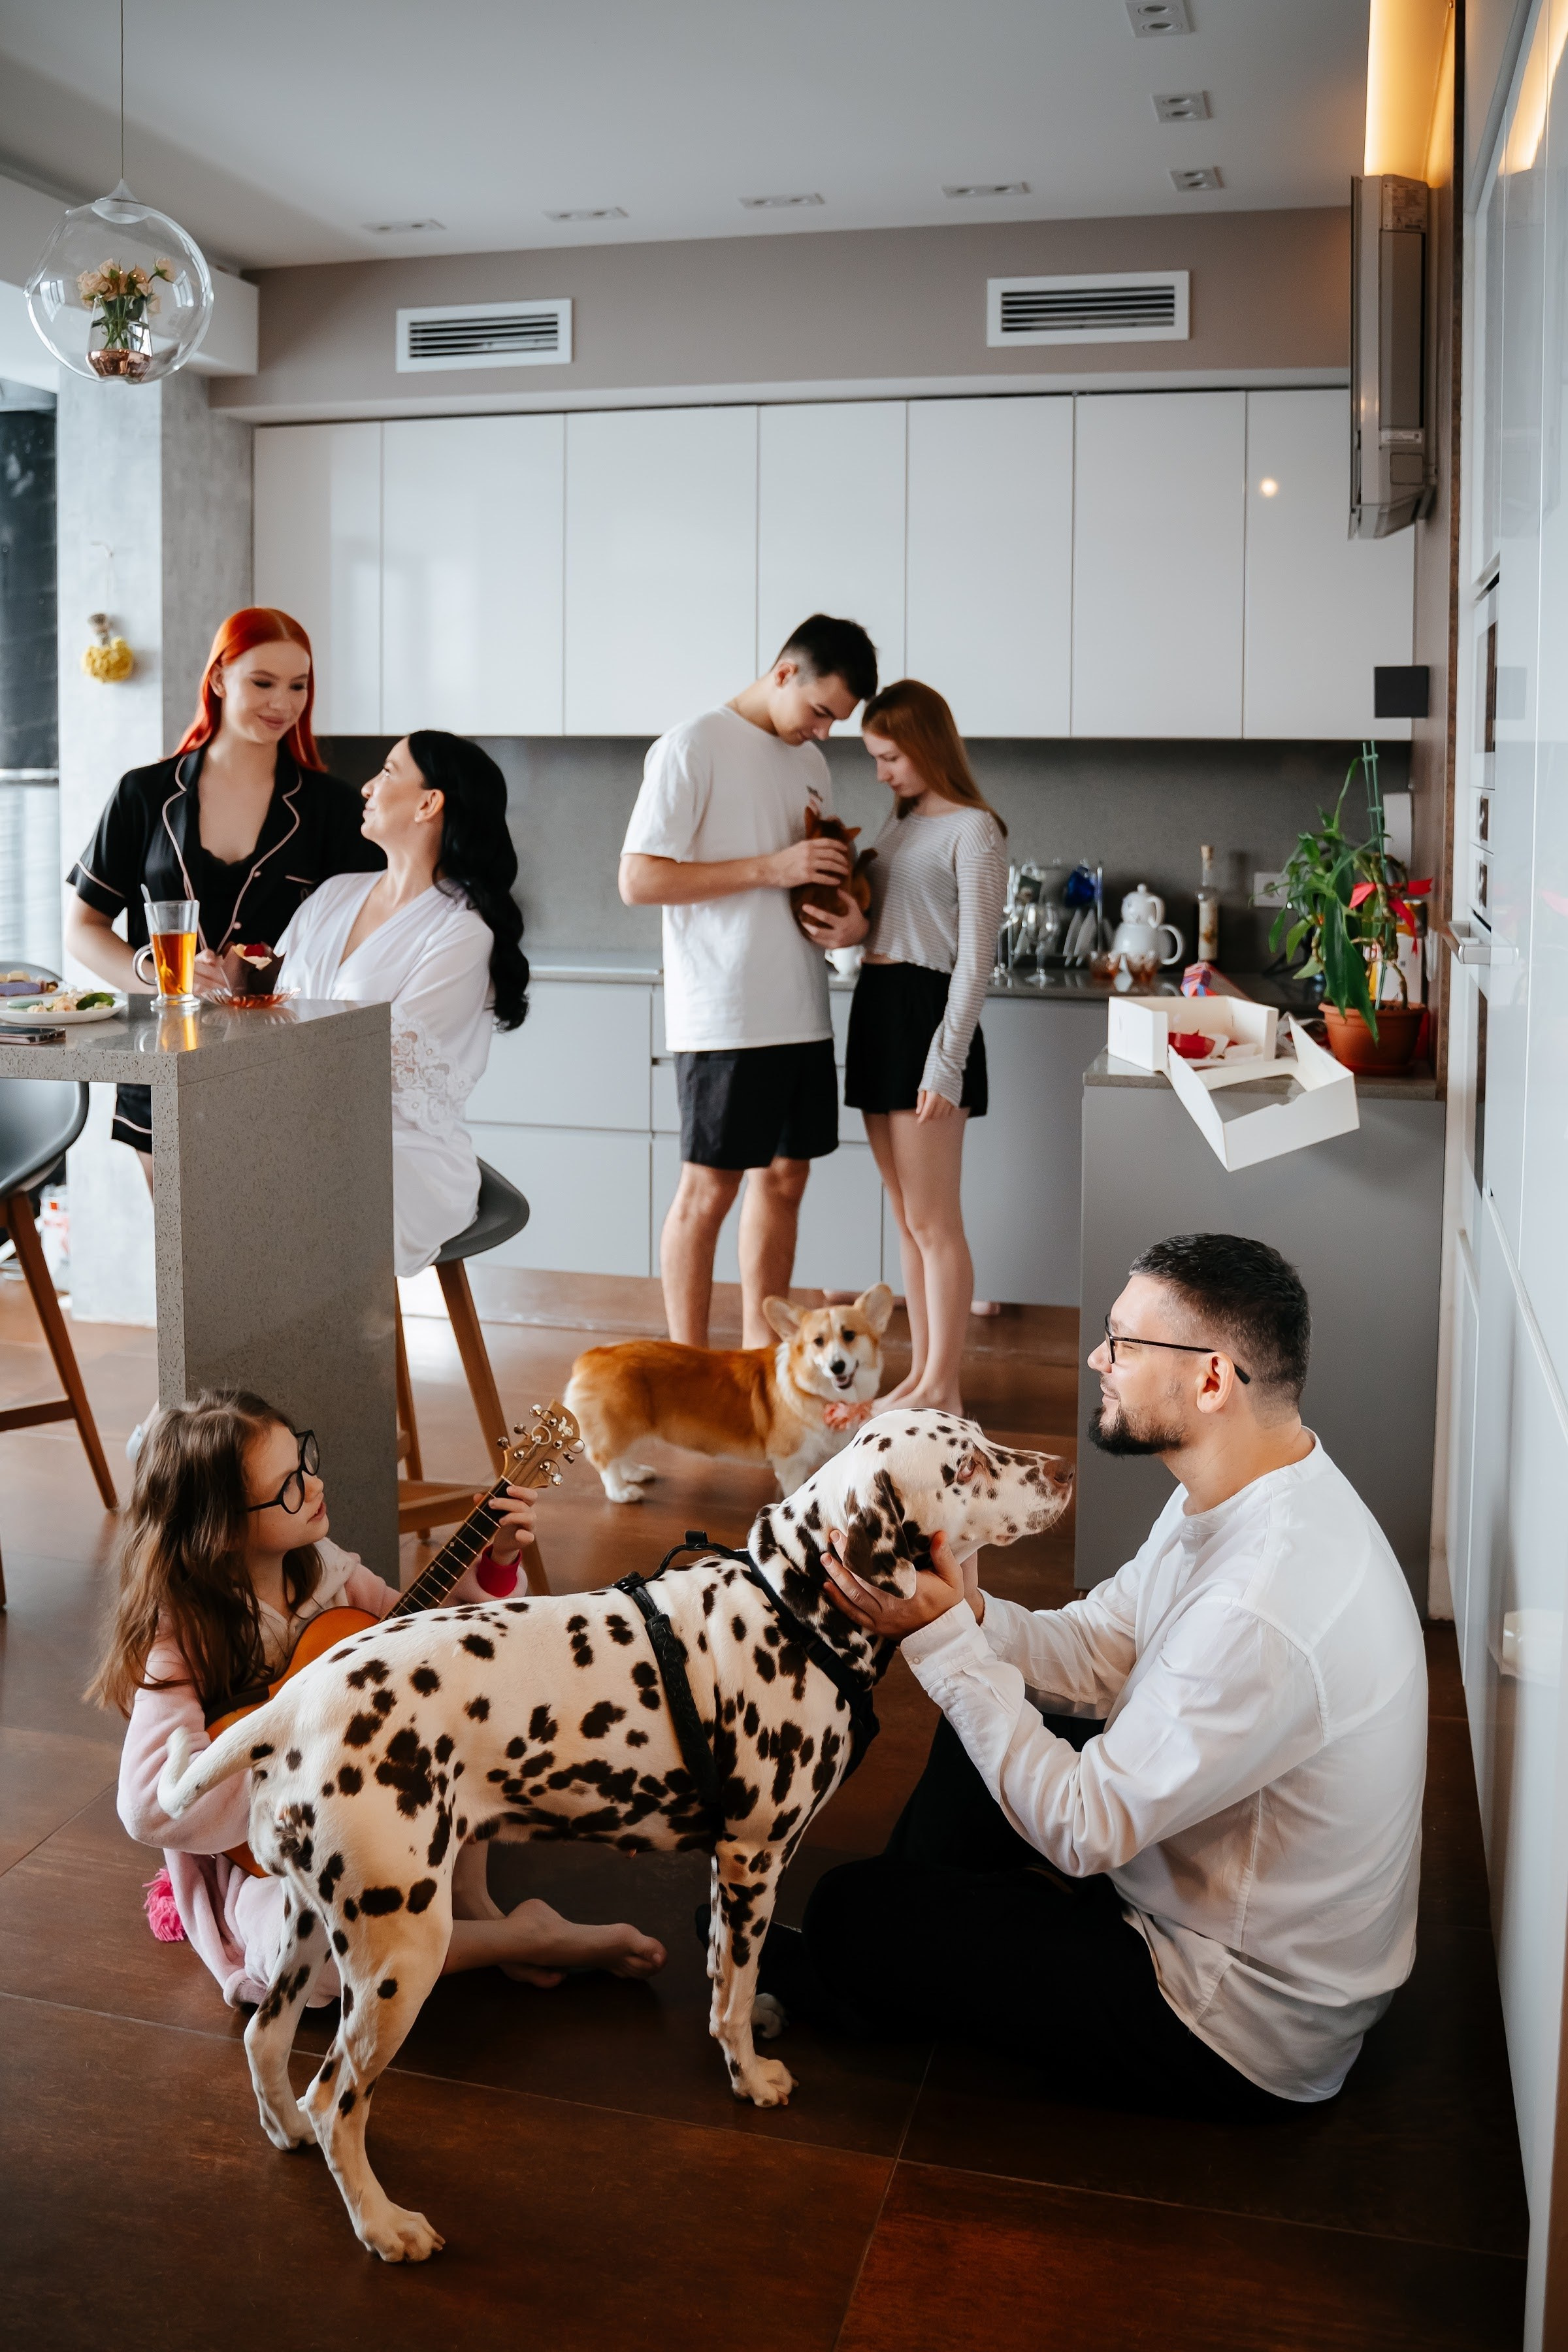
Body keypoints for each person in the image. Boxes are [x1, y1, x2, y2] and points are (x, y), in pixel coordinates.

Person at [758, 1233, 1428, 2118]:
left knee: (849, 1908)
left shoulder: (1260, 1608)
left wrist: (944, 1644)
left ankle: (884, 1951)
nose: (1096, 1359)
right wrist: (972, 1617)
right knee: (983, 1721)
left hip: (1233, 2013)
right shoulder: (1249, 1486)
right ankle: (904, 1949)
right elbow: (1106, 1645)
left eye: (1124, 1343)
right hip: (1208, 1881)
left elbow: (1085, 1828)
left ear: (1212, 1381)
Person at [93, 1390, 666, 2006]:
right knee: (303, 1959)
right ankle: (522, 1938)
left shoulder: (330, 1573)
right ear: (225, 1530)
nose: (315, 1485)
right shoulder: (179, 1639)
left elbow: (431, 1638)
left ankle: (472, 1899)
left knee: (468, 1694)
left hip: (394, 1813)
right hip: (275, 1859)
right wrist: (305, 1758)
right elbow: (149, 1803)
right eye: (290, 1487)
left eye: (306, 1461)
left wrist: (496, 1561)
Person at [619, 613, 879, 1348]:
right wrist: (773, 868)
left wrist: (851, 917)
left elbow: (818, 875)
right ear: (785, 672)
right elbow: (638, 880)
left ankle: (764, 1362)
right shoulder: (693, 744)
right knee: (709, 1191)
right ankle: (687, 1368)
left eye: (837, 721)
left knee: (787, 1180)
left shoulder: (811, 763)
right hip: (724, 1011)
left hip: (801, 1004)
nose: (825, 731)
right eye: (821, 711)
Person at [65, 606, 382, 1175]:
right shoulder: (143, 794)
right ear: (218, 679)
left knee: (280, 1230)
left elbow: (370, 930)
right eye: (262, 682)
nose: (283, 703)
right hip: (164, 1060)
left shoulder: (332, 809)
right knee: (178, 1236)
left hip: (287, 1066)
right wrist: (158, 975)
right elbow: (83, 928)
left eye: (298, 685)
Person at [275, 731, 527, 1277]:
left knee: (289, 1185)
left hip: (401, 1156)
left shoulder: (461, 932)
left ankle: (330, 1335)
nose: (367, 786)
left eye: (388, 771)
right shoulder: (333, 895)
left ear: (429, 803)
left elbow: (379, 1066)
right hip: (300, 1130)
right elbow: (273, 1010)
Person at [845, 681, 1007, 1413]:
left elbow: (975, 960)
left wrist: (946, 1062)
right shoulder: (900, 823)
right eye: (875, 758)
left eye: (890, 757)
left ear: (925, 746)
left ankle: (945, 1388)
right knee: (907, 1216)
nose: (881, 772)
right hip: (877, 1007)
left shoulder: (976, 830)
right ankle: (919, 1377)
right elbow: (878, 924)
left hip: (926, 1015)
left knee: (936, 1222)